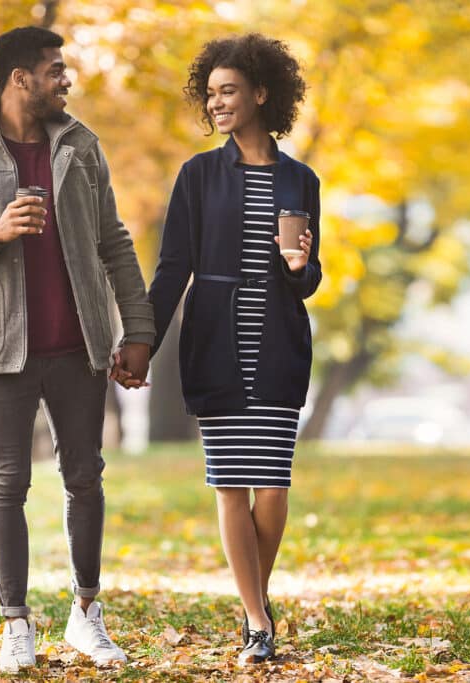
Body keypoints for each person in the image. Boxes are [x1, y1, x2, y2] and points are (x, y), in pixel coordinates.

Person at [0, 26, 153, 673]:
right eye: (55, 70)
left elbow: (115, 242)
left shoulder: (81, 145)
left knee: (85, 478)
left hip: (79, 346)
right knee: (6, 482)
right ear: (19, 78)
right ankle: (15, 620)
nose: (64, 79)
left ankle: (87, 612)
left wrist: (139, 331)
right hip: (0, 349)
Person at [148, 33, 320, 665]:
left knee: (271, 486)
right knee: (230, 487)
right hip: (216, 342)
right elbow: (172, 270)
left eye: (229, 92)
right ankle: (257, 619)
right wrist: (142, 340)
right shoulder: (197, 176)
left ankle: (257, 600)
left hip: (277, 342)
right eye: (211, 93)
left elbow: (308, 277)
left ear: (261, 94)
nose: (217, 103)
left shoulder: (302, 180)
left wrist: (300, 266)